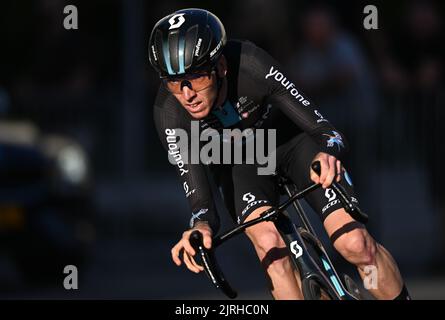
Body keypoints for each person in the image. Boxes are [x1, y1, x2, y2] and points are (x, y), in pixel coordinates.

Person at [148, 8, 410, 300]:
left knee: (355, 245)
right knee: (271, 250)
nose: (187, 94)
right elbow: (200, 204)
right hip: (239, 167)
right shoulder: (169, 112)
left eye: (196, 78)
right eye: (173, 82)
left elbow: (327, 132)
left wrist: (326, 153)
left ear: (220, 66)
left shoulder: (250, 64)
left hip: (291, 146)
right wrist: (199, 228)